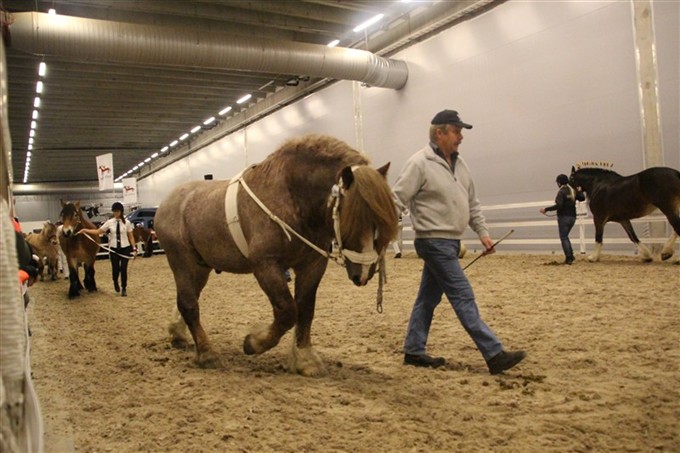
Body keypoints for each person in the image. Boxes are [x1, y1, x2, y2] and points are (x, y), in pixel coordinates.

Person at [392, 109, 526, 374]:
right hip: (432, 241)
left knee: (427, 299)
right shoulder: (419, 163)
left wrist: (483, 233)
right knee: (463, 295)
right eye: (456, 131)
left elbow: (472, 203)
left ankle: (414, 350)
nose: (461, 137)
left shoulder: (461, 166)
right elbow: (397, 198)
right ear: (439, 133)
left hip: (451, 242)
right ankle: (494, 353)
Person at [78, 202, 136, 296]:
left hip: (125, 248)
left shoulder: (127, 223)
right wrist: (85, 230)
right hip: (114, 249)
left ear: (121, 211)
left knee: (124, 269)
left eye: (117, 211)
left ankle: (124, 288)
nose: (116, 213)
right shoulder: (109, 222)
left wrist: (134, 248)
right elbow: (98, 231)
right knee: (115, 269)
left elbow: (131, 237)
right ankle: (115, 281)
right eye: (114, 211)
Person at [540, 174, 585, 265]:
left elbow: (559, 205)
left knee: (564, 237)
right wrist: (579, 191)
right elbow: (582, 198)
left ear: (559, 182)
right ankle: (571, 255)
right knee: (566, 236)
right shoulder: (572, 190)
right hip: (572, 217)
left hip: (564, 217)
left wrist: (546, 209)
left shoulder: (562, 192)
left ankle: (569, 257)